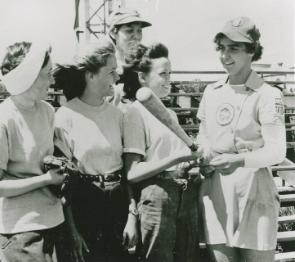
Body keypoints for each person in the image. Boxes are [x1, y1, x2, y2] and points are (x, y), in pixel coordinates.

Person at [197, 17, 286, 262]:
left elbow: (277, 151)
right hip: (216, 190)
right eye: (222, 48)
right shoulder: (211, 91)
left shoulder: (269, 95)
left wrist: (237, 160)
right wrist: (203, 154)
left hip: (255, 190)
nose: (225, 55)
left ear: (251, 51)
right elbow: (203, 136)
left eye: (234, 48)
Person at [0, 41, 66, 262]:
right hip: (22, 231)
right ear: (30, 76)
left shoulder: (46, 111)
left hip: (54, 222)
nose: (52, 80)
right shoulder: (1, 118)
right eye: (47, 74)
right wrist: (46, 179)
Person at [52, 39, 137, 262]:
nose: (117, 77)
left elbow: (128, 172)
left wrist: (131, 215)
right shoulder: (64, 117)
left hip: (117, 209)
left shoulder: (119, 115)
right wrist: (72, 232)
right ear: (90, 75)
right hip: (84, 210)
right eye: (111, 72)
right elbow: (63, 185)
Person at [123, 42, 200, 262]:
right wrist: (178, 157)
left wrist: (192, 163)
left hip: (184, 193)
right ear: (142, 78)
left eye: (170, 73)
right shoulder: (134, 113)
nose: (169, 80)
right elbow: (132, 172)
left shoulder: (170, 115)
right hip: (156, 196)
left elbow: (179, 158)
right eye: (162, 74)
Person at [107, 8, 152, 106]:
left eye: (139, 31)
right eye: (129, 30)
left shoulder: (141, 64)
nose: (136, 36)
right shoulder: (103, 66)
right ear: (113, 33)